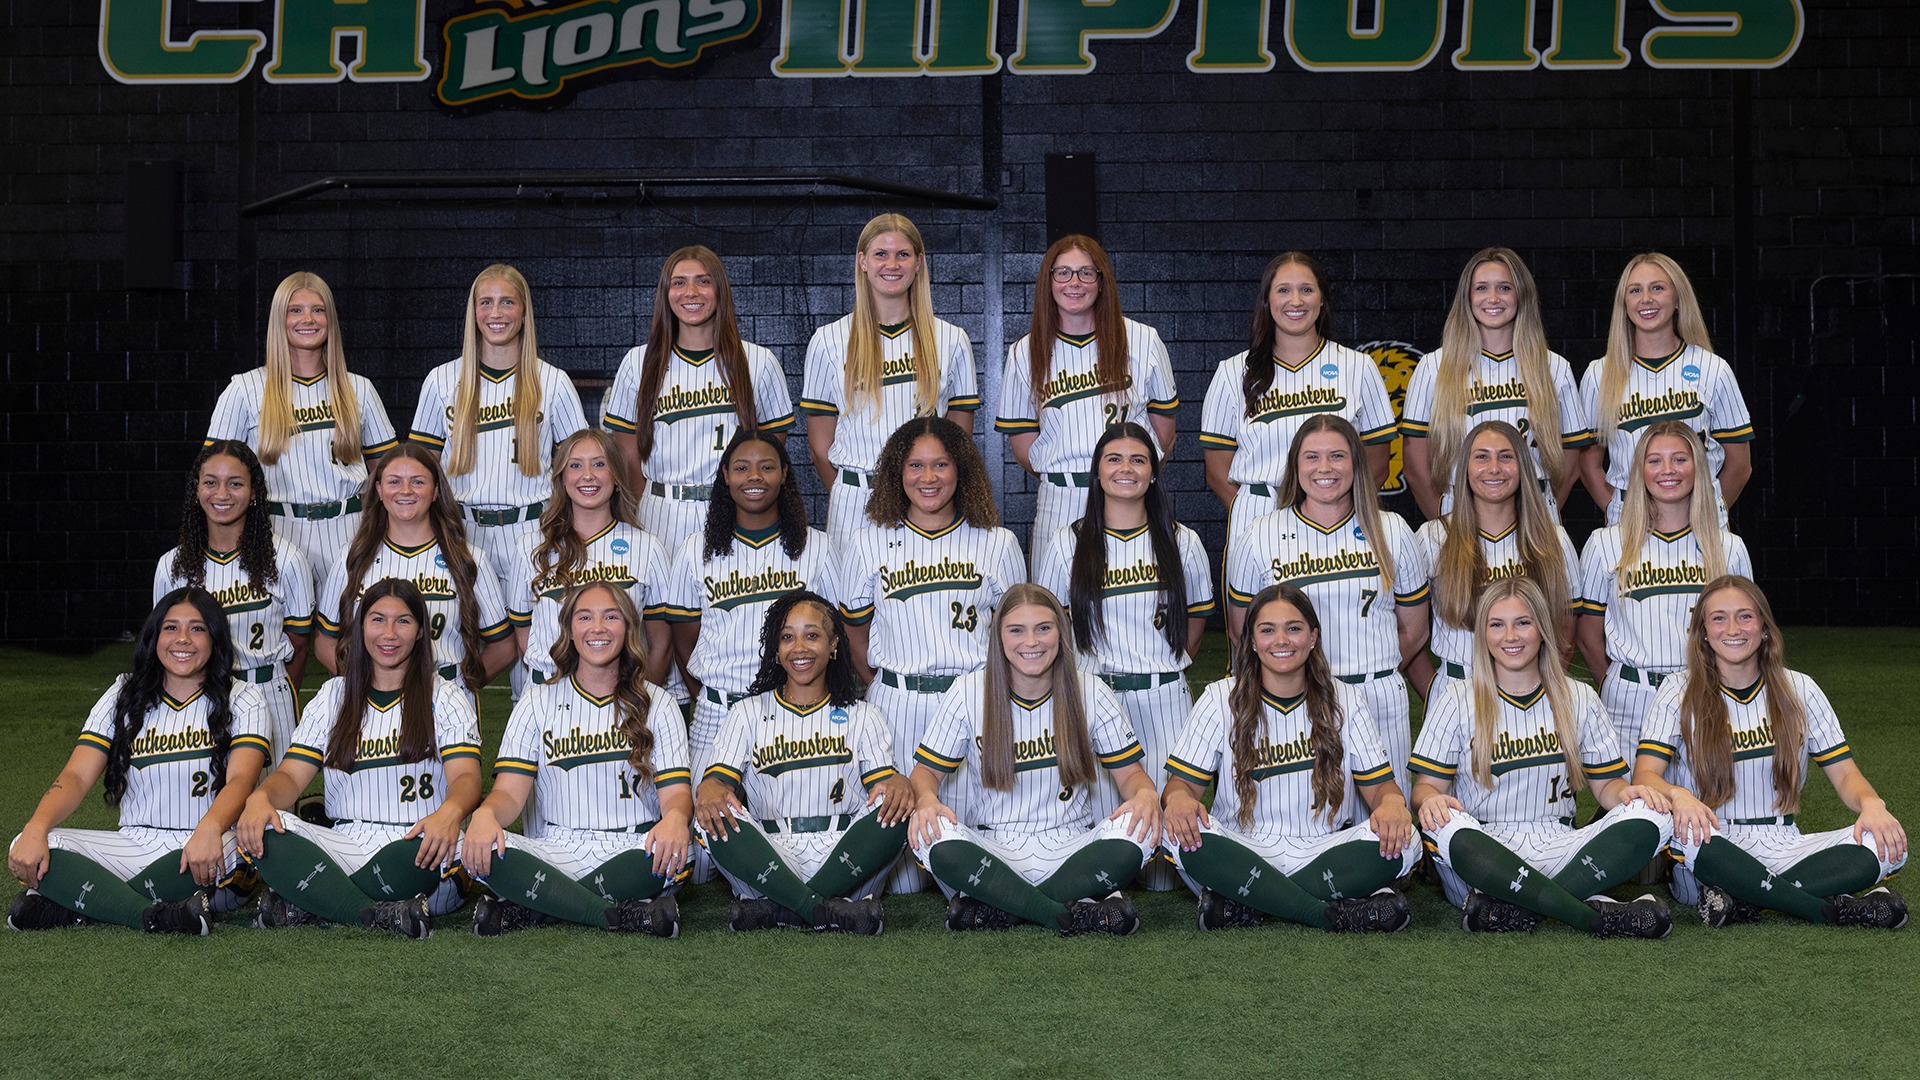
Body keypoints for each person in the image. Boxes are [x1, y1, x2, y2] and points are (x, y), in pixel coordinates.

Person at [1634, 575, 1908, 928]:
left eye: (1745, 616)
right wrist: (1679, 795)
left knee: (1886, 843)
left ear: (1764, 627)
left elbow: (1845, 774)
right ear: (1703, 631)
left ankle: (1745, 904)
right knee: (1691, 843)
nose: (1733, 628)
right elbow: (1644, 776)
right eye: (1718, 618)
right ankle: (1828, 908)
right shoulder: (1677, 691)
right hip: (1714, 844)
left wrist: (1872, 804)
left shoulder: (1800, 688)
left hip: (1785, 844)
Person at [1410, 578, 1676, 937]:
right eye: (1496, 624)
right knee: (1444, 825)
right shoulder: (1456, 699)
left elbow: (1607, 787)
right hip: (1486, 853)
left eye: (1523, 622)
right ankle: (1591, 915)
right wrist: (1430, 801)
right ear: (1482, 634)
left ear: (1542, 629)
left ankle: (1507, 911)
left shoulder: (1577, 696)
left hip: (1561, 846)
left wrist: (1628, 796)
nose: (1511, 636)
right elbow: (1425, 789)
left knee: (1655, 814)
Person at [6, 589, 271, 934]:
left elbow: (241, 780)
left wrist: (210, 827)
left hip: (206, 844)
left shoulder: (245, 697)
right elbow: (75, 775)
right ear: (154, 636)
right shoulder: (124, 693)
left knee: (238, 853)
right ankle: (153, 916)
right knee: (33, 842)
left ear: (215, 637)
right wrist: (36, 828)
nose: (183, 640)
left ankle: (80, 905)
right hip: (132, 845)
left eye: (198, 629)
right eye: (171, 628)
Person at [906, 584, 1160, 935]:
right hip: (994, 850)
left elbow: (1131, 775)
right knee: (929, 835)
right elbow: (923, 775)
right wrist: (927, 800)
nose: (1032, 641)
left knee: (1142, 829)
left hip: (1072, 849)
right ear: (998, 636)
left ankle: (1001, 908)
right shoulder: (968, 691)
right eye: (1016, 630)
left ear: (1060, 631)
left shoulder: (1090, 690)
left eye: (1044, 627)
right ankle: (1069, 911)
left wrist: (1145, 794)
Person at [1162, 584, 1418, 932]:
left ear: (1313, 636)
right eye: (1267, 630)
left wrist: (1391, 804)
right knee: (1174, 832)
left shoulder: (1346, 699)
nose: (1281, 640)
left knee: (1407, 841)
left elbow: (1381, 789)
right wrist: (1177, 801)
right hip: (1243, 850)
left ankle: (1249, 903)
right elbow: (1181, 787)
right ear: (1251, 640)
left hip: (1321, 850)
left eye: (1293, 628)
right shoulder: (1220, 697)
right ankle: (1327, 911)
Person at [839, 416, 1026, 891]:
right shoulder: (868, 541)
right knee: (900, 879)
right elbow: (856, 634)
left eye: (941, 464)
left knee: (966, 864)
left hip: (972, 704)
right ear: (896, 473)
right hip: (898, 703)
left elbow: (1017, 634)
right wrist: (888, 679)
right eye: (915, 465)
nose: (928, 477)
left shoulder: (997, 542)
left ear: (960, 469)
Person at [237, 580, 484, 939]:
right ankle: (380, 914)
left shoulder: (444, 695)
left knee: (464, 847)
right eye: (377, 620)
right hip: (346, 843)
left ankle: (315, 901)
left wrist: (449, 814)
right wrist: (261, 798)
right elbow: (290, 776)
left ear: (419, 632)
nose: (389, 633)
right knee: (268, 830)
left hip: (418, 843)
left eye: (403, 621)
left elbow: (466, 778)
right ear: (361, 627)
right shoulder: (334, 695)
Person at [1033, 422, 1213, 888]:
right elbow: (1049, 629)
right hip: (1096, 697)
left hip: (1163, 697)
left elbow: (1194, 623)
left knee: (1163, 871)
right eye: (1114, 459)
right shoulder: (1067, 542)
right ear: (1096, 472)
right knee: (1101, 852)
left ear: (1154, 473)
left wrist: (1163, 663)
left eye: (1138, 459)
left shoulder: (1182, 540)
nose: (1126, 468)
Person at [461, 584, 692, 937]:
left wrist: (676, 817)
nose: (597, 628)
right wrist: (486, 814)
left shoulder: (658, 703)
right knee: (482, 848)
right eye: (585, 617)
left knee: (683, 852)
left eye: (611, 617)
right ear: (569, 630)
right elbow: (509, 793)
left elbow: (675, 794)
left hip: (633, 850)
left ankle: (537, 906)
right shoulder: (537, 700)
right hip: (554, 851)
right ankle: (624, 915)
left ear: (629, 628)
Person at [1224, 415, 1428, 793]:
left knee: (1387, 825)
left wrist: (1370, 668)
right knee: (1312, 822)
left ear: (1356, 463)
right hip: (1297, 702)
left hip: (1378, 696)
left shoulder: (1392, 530)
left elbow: (1414, 629)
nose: (1324, 468)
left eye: (1337, 456)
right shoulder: (1259, 534)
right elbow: (1242, 630)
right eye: (1311, 457)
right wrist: (1303, 684)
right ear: (1295, 466)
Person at [694, 592, 912, 935]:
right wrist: (709, 789)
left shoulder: (863, 715)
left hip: (845, 856)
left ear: (834, 645)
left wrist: (899, 784)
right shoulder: (747, 712)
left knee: (897, 804)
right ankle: (827, 911)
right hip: (769, 859)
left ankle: (779, 910)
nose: (799, 648)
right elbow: (716, 783)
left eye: (812, 635)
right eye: (787, 637)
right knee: (710, 814)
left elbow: (883, 786)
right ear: (775, 649)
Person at [996, 235, 1178, 572]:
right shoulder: (1025, 351)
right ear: (1048, 281)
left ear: (1101, 280)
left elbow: (1164, 432)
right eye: (1063, 272)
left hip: (1129, 493)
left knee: (1133, 597)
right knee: (1055, 612)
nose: (1074, 283)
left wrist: (1128, 477)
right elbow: (1023, 445)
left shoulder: (1143, 339)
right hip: (1061, 496)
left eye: (1086, 273)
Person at [663, 431, 837, 780]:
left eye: (767, 467)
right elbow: (684, 639)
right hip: (717, 713)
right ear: (725, 475)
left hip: (793, 711)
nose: (754, 477)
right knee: (705, 826)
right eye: (742, 468)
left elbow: (834, 634)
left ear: (785, 473)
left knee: (784, 824)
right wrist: (710, 696)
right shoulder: (695, 550)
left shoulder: (817, 547)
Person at [206, 270, 398, 580]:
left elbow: (388, 471)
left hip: (349, 530)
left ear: (330, 319)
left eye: (317, 310)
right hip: (275, 530)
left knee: (350, 627)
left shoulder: (358, 388)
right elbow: (212, 476)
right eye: (295, 310)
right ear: (279, 319)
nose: (307, 319)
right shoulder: (245, 389)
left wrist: (374, 526)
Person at [1200, 252, 1396, 555]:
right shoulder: (1232, 372)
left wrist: (1340, 509)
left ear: (1322, 300)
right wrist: (1252, 520)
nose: (1296, 301)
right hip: (1259, 515)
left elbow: (1379, 460)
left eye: (1306, 289)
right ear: (1267, 301)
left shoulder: (1358, 367)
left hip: (1339, 516)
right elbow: (1216, 470)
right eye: (1283, 290)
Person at [410, 264, 588, 598]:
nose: (496, 313)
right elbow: (419, 471)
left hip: (534, 530)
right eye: (486, 302)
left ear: (524, 312)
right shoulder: (441, 381)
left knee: (535, 643)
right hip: (461, 530)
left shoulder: (553, 381)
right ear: (473, 312)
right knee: (465, 643)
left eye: (507, 302)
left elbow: (581, 468)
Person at [802, 214, 978, 546]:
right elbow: (819, 446)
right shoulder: (828, 341)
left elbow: (958, 442)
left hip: (926, 499)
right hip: (856, 501)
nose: (892, 264)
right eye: (881, 254)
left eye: (903, 254)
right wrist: (852, 489)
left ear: (919, 263)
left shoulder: (952, 339)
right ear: (863, 262)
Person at [604, 246, 794, 553]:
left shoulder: (759, 361)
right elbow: (627, 455)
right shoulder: (637, 362)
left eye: (703, 281)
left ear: (720, 290)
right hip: (662, 512)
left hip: (733, 509)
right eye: (679, 282)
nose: (691, 292)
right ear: (666, 293)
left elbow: (771, 448)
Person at [1576, 422, 1751, 755]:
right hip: (1629, 701)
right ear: (1639, 469)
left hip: (1704, 691)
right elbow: (1587, 636)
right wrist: (1617, 685)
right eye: (1655, 460)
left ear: (1698, 467)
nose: (1667, 470)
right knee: (1634, 804)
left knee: (1705, 804)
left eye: (1680, 460)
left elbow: (1747, 636)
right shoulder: (1605, 544)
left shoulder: (1729, 548)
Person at [1401, 247, 1589, 521]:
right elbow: (1415, 465)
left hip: (1534, 513)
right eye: (1481, 288)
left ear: (1521, 294)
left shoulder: (1554, 367)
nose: (1492, 298)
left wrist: (1543, 512)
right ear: (1467, 297)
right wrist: (1444, 523)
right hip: (1459, 512)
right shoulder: (1434, 367)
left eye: (1504, 288)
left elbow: (1571, 460)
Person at [155, 440, 315, 760]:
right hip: (199, 697)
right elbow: (165, 645)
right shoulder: (173, 566)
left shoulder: (287, 559)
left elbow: (298, 643)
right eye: (211, 483)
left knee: (273, 805)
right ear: (196, 490)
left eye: (236, 483)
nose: (222, 494)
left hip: (269, 694)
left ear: (254, 491)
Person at [315, 444, 516, 695]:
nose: (406, 491)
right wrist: (363, 684)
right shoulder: (352, 558)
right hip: (371, 702)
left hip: (444, 697)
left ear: (436, 491)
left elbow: (504, 646)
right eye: (394, 482)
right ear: (378, 490)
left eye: (418, 482)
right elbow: (325, 642)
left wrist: (462, 688)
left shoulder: (469, 559)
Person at [1579, 252, 1754, 524]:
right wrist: (1619, 512)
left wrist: (1708, 514)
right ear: (1624, 304)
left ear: (1677, 300)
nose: (1646, 299)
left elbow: (1740, 465)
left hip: (1700, 522)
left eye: (1657, 288)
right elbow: (1588, 465)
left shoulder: (1713, 368)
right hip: (1630, 523)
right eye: (1635, 290)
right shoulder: (1599, 374)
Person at [1411, 420, 1578, 701]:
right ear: (1464, 467)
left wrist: (1543, 690)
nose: (1494, 468)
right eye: (1481, 457)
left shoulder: (1554, 540)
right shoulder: (1433, 537)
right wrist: (1436, 694)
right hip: (1456, 686)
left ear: (1523, 466)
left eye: (1505, 457)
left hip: (1532, 689)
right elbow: (1410, 631)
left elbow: (1567, 629)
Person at [505, 429, 671, 691]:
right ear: (561, 478)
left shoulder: (648, 548)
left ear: (616, 475)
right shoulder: (529, 547)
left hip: (622, 697)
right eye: (575, 465)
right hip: (549, 695)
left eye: (599, 464)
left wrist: (636, 701)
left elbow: (660, 643)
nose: (588, 475)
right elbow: (524, 636)